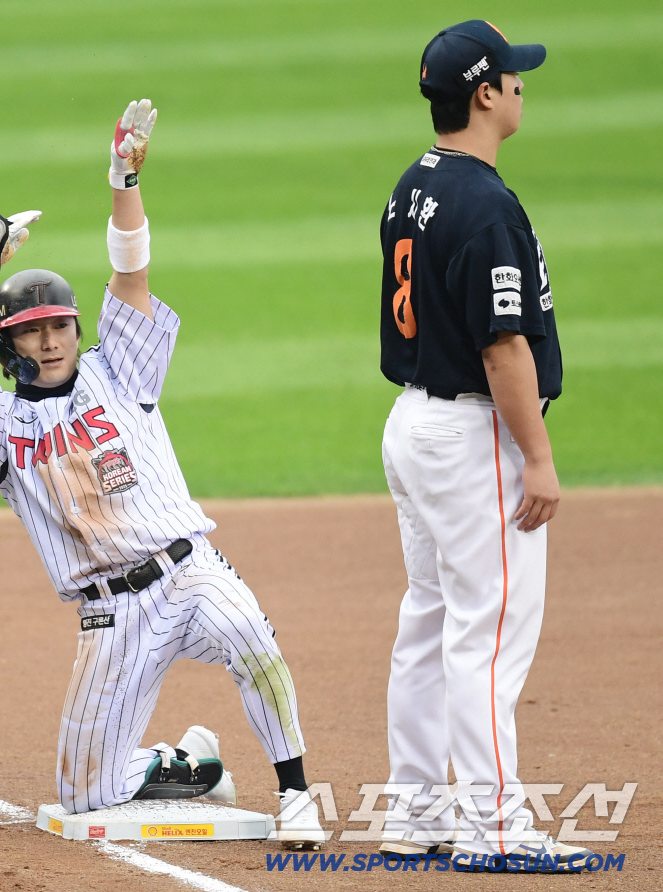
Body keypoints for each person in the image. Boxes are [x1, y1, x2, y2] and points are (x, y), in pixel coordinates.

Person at [0, 100, 325, 848]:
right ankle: (191, 762)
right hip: (109, 617)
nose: (49, 342)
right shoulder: (1, 430)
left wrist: (123, 179)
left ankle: (298, 791)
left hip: (186, 568)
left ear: (78, 328)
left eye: (59, 326)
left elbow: (131, 270)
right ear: (9, 346)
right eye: (30, 333)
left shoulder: (124, 371)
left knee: (251, 637)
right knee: (85, 796)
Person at [377, 22, 595, 872]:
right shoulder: (485, 203)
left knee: (430, 621)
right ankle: (495, 831)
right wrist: (536, 456)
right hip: (472, 437)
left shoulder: (413, 183)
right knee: (489, 634)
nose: (521, 86)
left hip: (414, 426)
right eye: (512, 76)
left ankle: (413, 812)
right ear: (483, 94)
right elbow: (505, 347)